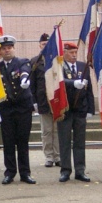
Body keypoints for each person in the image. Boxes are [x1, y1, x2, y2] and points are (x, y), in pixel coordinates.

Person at [0, 35, 35, 185]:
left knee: (23, 142)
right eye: (4, 49)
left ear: (13, 49)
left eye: (9, 48)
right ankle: (10, 172)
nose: (7, 51)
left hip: (23, 108)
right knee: (8, 142)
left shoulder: (22, 62)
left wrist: (24, 79)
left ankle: (25, 173)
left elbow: (25, 70)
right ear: (1, 51)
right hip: (6, 108)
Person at [58, 42, 94, 182]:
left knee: (80, 141)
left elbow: (89, 89)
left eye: (75, 52)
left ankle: (80, 170)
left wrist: (91, 109)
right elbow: (59, 81)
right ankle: (65, 170)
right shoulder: (59, 66)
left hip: (80, 109)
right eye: (71, 52)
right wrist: (72, 83)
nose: (74, 55)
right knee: (65, 141)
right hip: (65, 110)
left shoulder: (82, 66)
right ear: (64, 52)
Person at [30, 33, 60, 168]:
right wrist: (34, 101)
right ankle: (49, 156)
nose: (45, 46)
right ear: (39, 46)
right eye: (43, 45)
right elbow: (32, 83)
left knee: (58, 130)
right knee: (47, 130)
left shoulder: (58, 60)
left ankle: (58, 156)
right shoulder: (35, 61)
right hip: (43, 100)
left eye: (48, 44)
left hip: (57, 100)